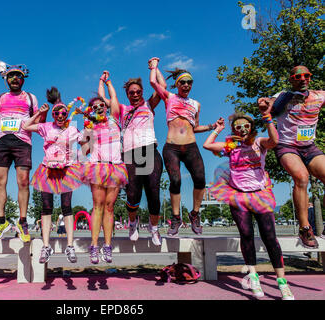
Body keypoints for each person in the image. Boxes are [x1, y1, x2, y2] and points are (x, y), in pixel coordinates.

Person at [203, 111, 294, 300]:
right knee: (246, 235)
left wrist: (268, 118)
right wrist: (218, 130)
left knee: (270, 237)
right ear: (234, 130)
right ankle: (253, 276)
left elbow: (275, 140)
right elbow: (207, 145)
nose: (242, 130)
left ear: (251, 127)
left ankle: (282, 283)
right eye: (238, 127)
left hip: (260, 195)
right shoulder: (231, 146)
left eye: (246, 126)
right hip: (238, 196)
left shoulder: (259, 142)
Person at [149, 58, 222, 236]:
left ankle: (194, 214)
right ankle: (175, 218)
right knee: (175, 181)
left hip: (190, 147)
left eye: (190, 82)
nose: (187, 85)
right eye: (183, 82)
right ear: (177, 84)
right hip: (172, 147)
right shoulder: (169, 97)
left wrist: (212, 126)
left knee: (200, 180)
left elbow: (195, 127)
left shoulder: (196, 104)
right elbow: (153, 81)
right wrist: (154, 66)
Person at [97, 61, 165, 245]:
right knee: (133, 194)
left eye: (138, 91)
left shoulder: (149, 105)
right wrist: (104, 81)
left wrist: (154, 68)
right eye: (131, 92)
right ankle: (133, 222)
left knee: (153, 192)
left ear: (142, 92)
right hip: (129, 154)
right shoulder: (123, 110)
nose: (135, 94)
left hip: (150, 150)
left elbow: (162, 87)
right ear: (127, 95)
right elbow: (104, 99)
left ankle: (154, 229)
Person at [259, 66, 324, 248]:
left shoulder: (319, 95)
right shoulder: (283, 96)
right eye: (298, 76)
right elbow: (268, 103)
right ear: (291, 79)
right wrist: (264, 103)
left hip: (309, 146)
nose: (303, 79)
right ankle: (305, 228)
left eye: (306, 76)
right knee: (301, 178)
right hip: (287, 146)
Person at [21, 87, 86, 264]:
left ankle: (70, 246)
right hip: (47, 169)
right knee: (46, 206)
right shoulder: (46, 127)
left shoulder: (73, 129)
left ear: (66, 114)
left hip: (67, 169)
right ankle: (46, 246)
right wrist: (40, 113)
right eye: (56, 112)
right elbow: (25, 126)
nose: (59, 115)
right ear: (53, 114)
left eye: (63, 112)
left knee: (66, 206)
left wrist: (89, 119)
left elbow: (88, 143)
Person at [0, 62, 47, 243]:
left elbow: (38, 122)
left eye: (18, 76)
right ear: (6, 79)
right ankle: (0, 221)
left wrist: (43, 114)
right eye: (11, 75)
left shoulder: (30, 97)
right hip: (1, 141)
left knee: (23, 182)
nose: (14, 79)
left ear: (23, 79)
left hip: (22, 142)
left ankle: (22, 222)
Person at [80, 78, 128, 264]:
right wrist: (86, 136)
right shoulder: (90, 126)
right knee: (98, 205)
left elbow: (113, 97)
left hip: (115, 166)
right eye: (95, 107)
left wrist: (107, 83)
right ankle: (94, 246)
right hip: (98, 166)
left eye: (102, 105)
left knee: (109, 207)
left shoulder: (115, 120)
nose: (99, 108)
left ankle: (107, 246)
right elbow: (86, 151)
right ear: (91, 111)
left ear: (106, 107)